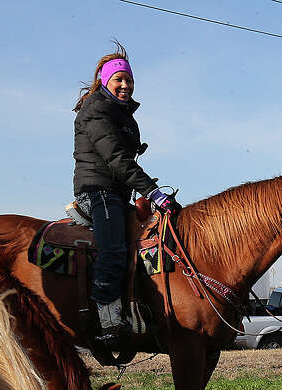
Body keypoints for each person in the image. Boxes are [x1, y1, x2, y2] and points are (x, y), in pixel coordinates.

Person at [72, 45, 179, 340]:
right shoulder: (96, 110)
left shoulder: (122, 114)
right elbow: (117, 160)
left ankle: (141, 308)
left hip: (118, 191)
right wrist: (154, 192)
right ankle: (108, 319)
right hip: (97, 189)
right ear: (106, 81)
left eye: (128, 80)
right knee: (115, 248)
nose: (125, 85)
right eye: (119, 79)